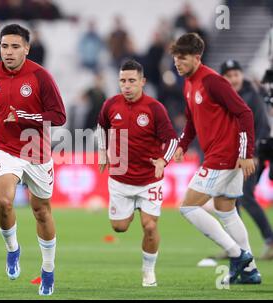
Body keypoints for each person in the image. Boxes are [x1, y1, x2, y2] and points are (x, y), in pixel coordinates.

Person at [0, 24, 66, 296]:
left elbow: (59, 116)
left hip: (36, 152)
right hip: (4, 147)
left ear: (27, 47)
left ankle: (48, 269)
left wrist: (26, 118)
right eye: (4, 46)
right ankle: (13, 249)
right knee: (3, 201)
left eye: (15, 46)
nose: (9, 52)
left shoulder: (41, 76)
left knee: (41, 211)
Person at [171, 33, 260, 284]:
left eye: (183, 58)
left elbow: (245, 113)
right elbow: (191, 121)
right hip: (220, 155)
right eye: (176, 58)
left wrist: (246, 153)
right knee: (226, 210)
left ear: (197, 58)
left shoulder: (212, 81)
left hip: (224, 156)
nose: (177, 63)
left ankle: (237, 254)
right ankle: (251, 270)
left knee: (187, 206)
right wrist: (182, 144)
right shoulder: (189, 83)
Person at [97, 59, 178, 287]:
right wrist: (103, 151)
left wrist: (163, 160)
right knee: (119, 227)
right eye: (122, 81)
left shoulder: (154, 108)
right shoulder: (110, 105)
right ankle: (131, 209)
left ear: (142, 81)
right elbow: (101, 126)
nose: (126, 85)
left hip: (149, 180)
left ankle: (148, 271)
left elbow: (172, 139)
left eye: (132, 81)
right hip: (120, 179)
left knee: (150, 227)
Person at [219, 59, 273, 260]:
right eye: (229, 75)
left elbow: (262, 127)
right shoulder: (223, 96)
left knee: (246, 197)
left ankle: (270, 240)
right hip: (232, 157)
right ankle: (236, 248)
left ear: (241, 75)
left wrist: (255, 154)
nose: (233, 79)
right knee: (231, 200)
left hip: (251, 156)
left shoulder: (252, 96)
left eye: (236, 74)